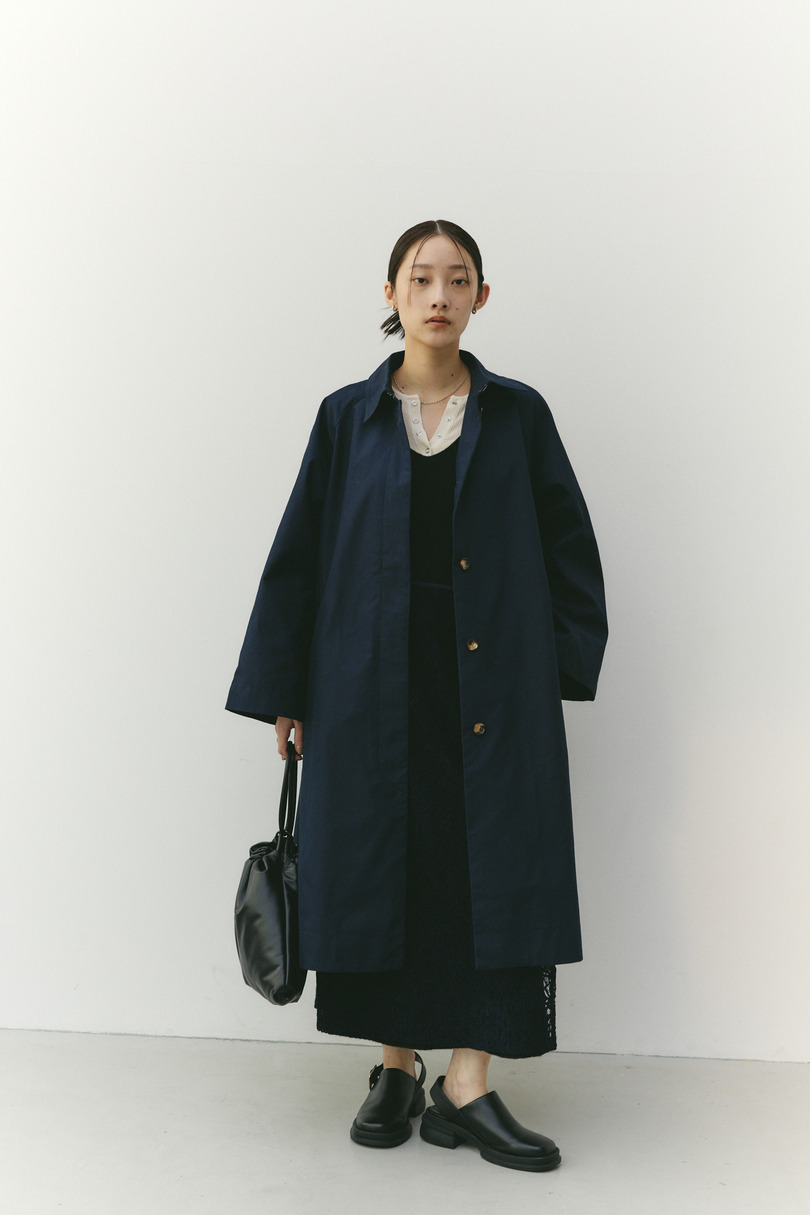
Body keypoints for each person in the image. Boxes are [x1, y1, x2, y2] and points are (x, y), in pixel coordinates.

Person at [226, 219, 608, 1172]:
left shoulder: (518, 415)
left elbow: (570, 545)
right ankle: (395, 1069)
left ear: (482, 297)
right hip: (366, 688)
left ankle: (466, 1084)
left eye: (458, 279)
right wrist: (284, 690)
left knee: (486, 871)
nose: (439, 295)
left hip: (494, 685)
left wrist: (556, 669)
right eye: (421, 277)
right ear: (392, 294)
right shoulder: (344, 418)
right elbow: (299, 556)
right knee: (384, 866)